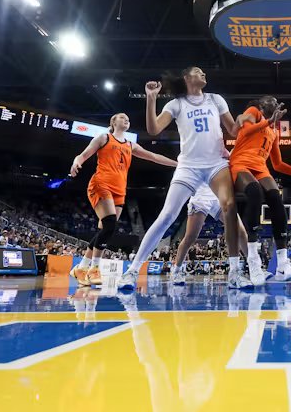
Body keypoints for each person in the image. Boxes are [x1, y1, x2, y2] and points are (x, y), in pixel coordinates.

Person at [117, 68, 251, 290]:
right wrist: (151, 99)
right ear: (188, 78)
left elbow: (233, 131)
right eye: (199, 72)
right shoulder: (176, 104)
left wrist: (242, 119)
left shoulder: (216, 99)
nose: (204, 74)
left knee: (229, 207)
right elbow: (153, 129)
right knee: (167, 215)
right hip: (188, 166)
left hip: (216, 164)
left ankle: (236, 272)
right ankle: (132, 271)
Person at [69, 112, 177, 287]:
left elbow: (154, 157)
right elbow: (83, 154)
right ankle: (94, 269)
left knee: (105, 230)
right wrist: (76, 162)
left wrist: (178, 164)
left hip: (119, 189)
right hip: (101, 183)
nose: (126, 119)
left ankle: (80, 268)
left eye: (128, 118)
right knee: (110, 223)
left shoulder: (131, 145)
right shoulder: (104, 137)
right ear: (113, 122)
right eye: (122, 117)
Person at [230, 95, 291, 282]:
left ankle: (283, 266)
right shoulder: (254, 113)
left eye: (277, 102)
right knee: (254, 191)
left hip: (260, 167)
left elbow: (277, 164)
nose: (275, 103)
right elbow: (243, 133)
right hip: (241, 163)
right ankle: (253, 260)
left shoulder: (273, 131)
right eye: (271, 100)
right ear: (261, 104)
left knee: (276, 199)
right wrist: (268, 121)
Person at [170, 184, 270, 285]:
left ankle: (254, 268)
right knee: (190, 238)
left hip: (219, 195)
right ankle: (176, 270)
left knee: (239, 230)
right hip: (201, 196)